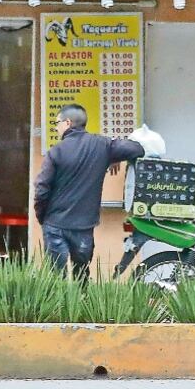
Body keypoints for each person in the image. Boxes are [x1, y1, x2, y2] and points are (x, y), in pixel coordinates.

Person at [34, 103, 145, 282]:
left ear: (68, 123)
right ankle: (80, 309)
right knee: (82, 277)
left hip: (55, 225)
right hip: (84, 228)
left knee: (56, 279)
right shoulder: (102, 145)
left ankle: (59, 310)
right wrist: (114, 156)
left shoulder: (56, 152)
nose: (56, 127)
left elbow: (42, 188)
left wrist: (42, 216)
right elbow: (137, 149)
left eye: (57, 123)